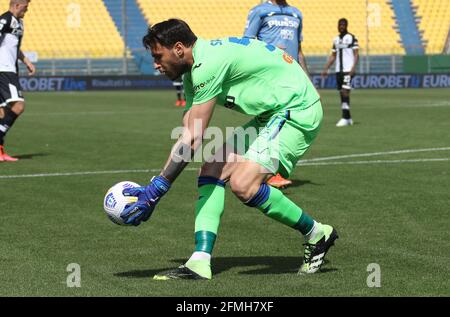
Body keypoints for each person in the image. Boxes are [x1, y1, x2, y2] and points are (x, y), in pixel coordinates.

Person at [120, 19, 338, 280]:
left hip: (296, 109)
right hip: (272, 112)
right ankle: (199, 262)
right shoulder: (194, 68)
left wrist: (156, 189)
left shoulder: (206, 64)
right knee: (212, 169)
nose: (156, 65)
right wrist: (158, 184)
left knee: (244, 184)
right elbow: (189, 129)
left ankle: (317, 234)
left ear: (178, 49)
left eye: (158, 56)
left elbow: (192, 138)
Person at [244, 0, 308, 188]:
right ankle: (270, 172)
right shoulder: (260, 11)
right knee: (275, 123)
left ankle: (259, 168)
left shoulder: (296, 13)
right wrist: (269, 51)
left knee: (284, 124)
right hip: (269, 77)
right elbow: (247, 44)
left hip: (292, 78)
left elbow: (299, 51)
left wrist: (308, 82)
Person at [0, 0, 35, 162]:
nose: (26, 11)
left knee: (2, 112)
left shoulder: (19, 23)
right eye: (25, 7)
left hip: (9, 69)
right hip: (4, 70)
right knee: (18, 105)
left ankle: (0, 152)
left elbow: (14, 46)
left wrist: (26, 60)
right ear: (17, 5)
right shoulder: (4, 20)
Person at [321, 18, 359, 127]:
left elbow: (356, 54)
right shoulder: (336, 39)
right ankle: (348, 118)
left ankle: (345, 117)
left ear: (346, 26)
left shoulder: (351, 38)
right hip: (338, 71)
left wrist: (353, 68)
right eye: (340, 25)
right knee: (341, 93)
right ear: (337, 26)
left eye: (343, 25)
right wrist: (326, 68)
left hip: (348, 70)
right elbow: (333, 56)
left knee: (344, 91)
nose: (341, 26)